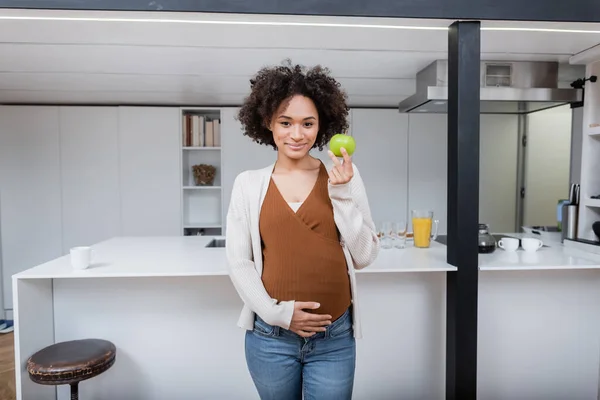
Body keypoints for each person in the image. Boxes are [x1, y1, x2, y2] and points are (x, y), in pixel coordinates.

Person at [225, 60, 379, 400]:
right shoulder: (248, 185)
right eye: (286, 122)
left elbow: (365, 255)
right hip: (270, 339)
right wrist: (277, 314)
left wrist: (340, 195)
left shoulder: (344, 178)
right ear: (268, 123)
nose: (297, 134)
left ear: (321, 125)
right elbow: (239, 263)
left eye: (308, 123)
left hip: (333, 339)